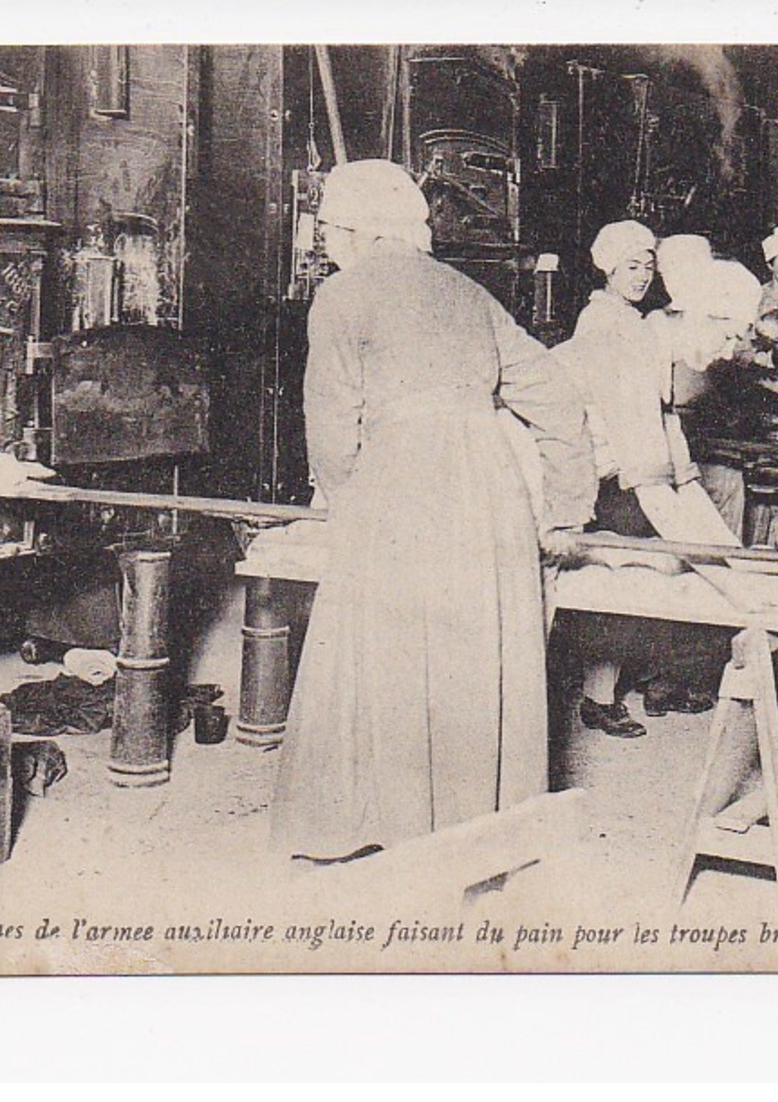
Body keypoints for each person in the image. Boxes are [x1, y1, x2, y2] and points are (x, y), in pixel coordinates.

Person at [265, 160, 596, 863]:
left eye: (327, 229)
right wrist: (565, 510)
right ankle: (473, 832)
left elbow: (327, 422)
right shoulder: (468, 293)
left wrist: (347, 499)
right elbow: (560, 403)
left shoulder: (342, 297)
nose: (324, 243)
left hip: (401, 482)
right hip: (489, 488)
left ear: (356, 228)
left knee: (383, 654)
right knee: (471, 656)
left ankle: (371, 823)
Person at [557, 221, 741, 737]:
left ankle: (637, 684)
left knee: (648, 579)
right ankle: (597, 697)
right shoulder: (600, 324)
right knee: (622, 586)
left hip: (645, 467)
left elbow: (663, 410)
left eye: (647, 267)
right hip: (618, 473)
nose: (640, 277)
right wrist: (657, 479)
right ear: (608, 267)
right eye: (631, 267)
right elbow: (623, 413)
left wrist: (680, 475)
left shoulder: (636, 323)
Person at [649, 233, 746, 539]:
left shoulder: (710, 326)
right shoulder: (655, 331)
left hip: (701, 458)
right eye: (727, 336)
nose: (729, 351)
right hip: (663, 461)